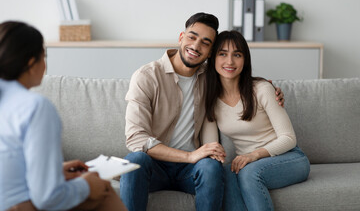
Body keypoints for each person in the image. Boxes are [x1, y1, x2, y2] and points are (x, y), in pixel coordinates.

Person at [120, 13, 285, 211]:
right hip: (155, 166)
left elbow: (236, 77)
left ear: (210, 53)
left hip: (191, 170)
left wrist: (265, 87)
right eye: (192, 37)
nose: (196, 46)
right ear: (181, 37)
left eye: (205, 43)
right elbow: (136, 139)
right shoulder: (147, 76)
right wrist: (189, 156)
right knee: (134, 161)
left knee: (211, 167)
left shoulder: (211, 78)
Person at [0, 21, 127, 211]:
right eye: (44, 56)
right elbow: (47, 197)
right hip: (16, 206)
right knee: (105, 189)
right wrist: (87, 186)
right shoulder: (35, 107)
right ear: (30, 62)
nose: (45, 64)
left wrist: (55, 171)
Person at [202, 30, 310, 211]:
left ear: (245, 60)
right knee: (224, 174)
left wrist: (253, 155)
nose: (229, 61)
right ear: (213, 58)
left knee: (249, 173)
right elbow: (212, 145)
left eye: (237, 54)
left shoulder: (261, 89)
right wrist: (215, 157)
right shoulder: (211, 99)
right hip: (248, 164)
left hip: (289, 158)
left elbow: (289, 138)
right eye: (223, 54)